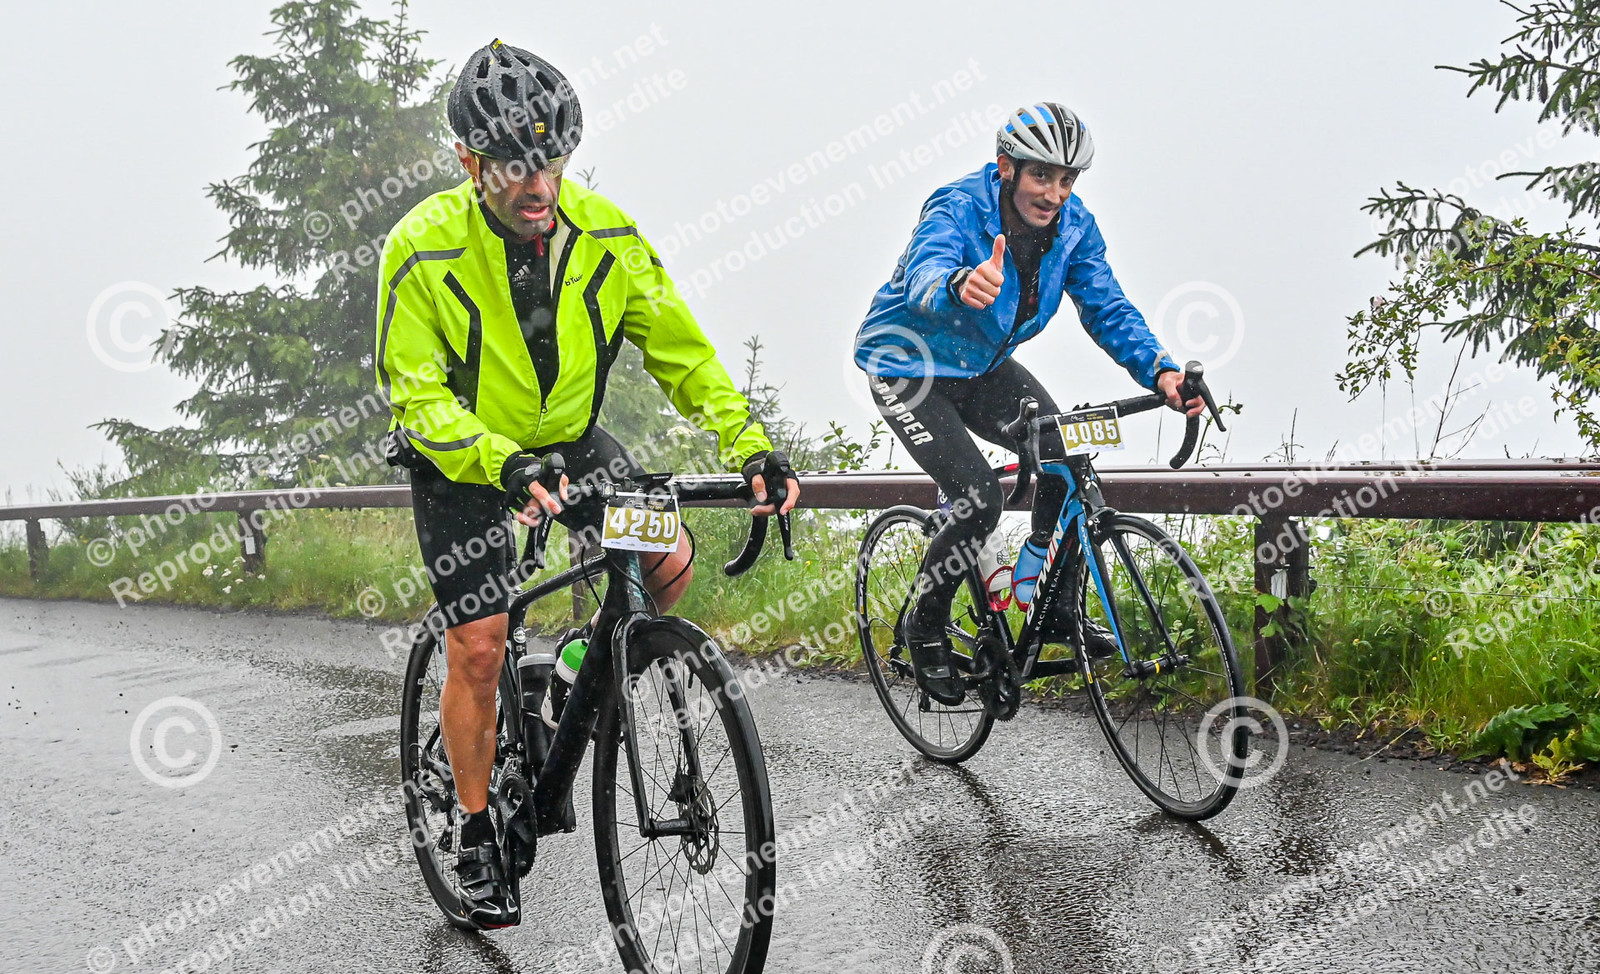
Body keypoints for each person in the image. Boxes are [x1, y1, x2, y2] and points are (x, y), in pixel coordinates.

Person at [375, 40, 799, 928]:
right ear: (469, 163)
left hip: (567, 443)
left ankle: (578, 664)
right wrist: (499, 462)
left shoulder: (606, 234)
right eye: (516, 167)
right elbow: (415, 394)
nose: (541, 186)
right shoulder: (420, 246)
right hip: (464, 458)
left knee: (667, 563)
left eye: (554, 162)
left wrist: (751, 444)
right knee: (480, 644)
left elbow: (683, 353)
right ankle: (476, 827)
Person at [854, 102, 1201, 705]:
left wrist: (1160, 369)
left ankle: (1057, 608)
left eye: (1067, 179)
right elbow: (925, 271)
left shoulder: (1074, 227)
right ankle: (924, 625)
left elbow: (1107, 307)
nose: (1054, 193)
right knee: (978, 497)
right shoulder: (958, 206)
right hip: (907, 366)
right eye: (1042, 175)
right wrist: (958, 284)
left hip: (981, 367)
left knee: (1065, 458)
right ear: (1006, 167)